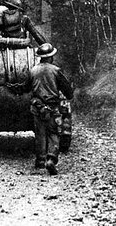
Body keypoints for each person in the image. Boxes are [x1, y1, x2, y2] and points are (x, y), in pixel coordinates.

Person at [28, 43, 73, 175]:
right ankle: (51, 159)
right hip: (52, 108)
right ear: (50, 57)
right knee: (53, 133)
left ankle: (40, 161)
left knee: (40, 133)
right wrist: (69, 95)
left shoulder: (33, 70)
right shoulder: (55, 70)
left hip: (37, 107)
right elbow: (66, 89)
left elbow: (26, 87)